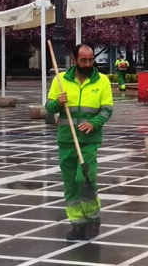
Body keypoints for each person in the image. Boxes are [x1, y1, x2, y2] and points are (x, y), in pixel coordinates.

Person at [46, 43, 114, 241]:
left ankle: (93, 219)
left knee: (83, 179)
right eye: (83, 60)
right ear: (74, 60)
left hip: (89, 141)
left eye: (91, 59)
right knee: (70, 184)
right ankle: (77, 222)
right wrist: (57, 103)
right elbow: (49, 108)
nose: (88, 63)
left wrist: (94, 123)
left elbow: (107, 109)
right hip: (66, 140)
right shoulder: (61, 81)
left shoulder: (102, 81)